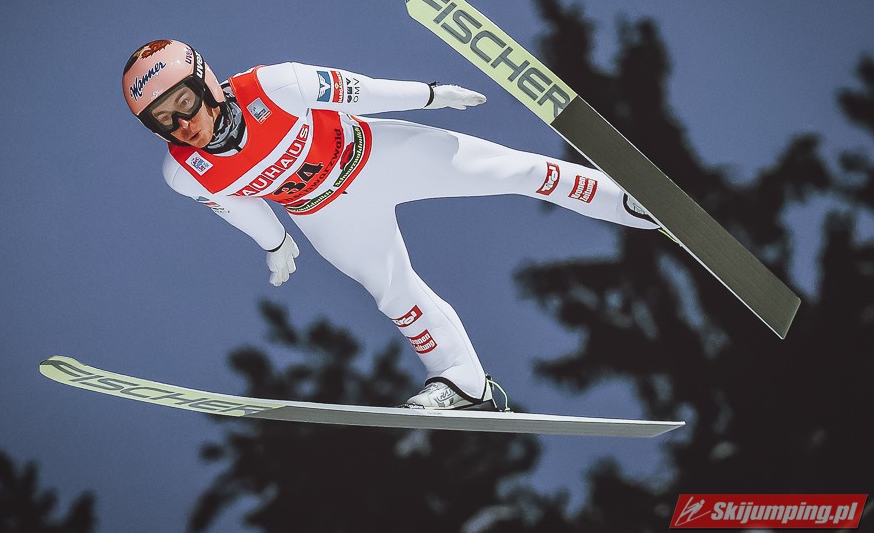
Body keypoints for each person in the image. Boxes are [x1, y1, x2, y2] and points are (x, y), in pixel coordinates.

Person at [122, 39, 658, 410]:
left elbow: (360, 90)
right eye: (162, 120)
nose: (182, 124)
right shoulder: (184, 173)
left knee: (514, 171)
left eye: (184, 102)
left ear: (206, 81)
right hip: (326, 213)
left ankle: (628, 203)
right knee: (394, 293)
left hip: (377, 155)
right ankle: (463, 383)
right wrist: (275, 240)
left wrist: (429, 96)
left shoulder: (273, 86)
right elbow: (237, 203)